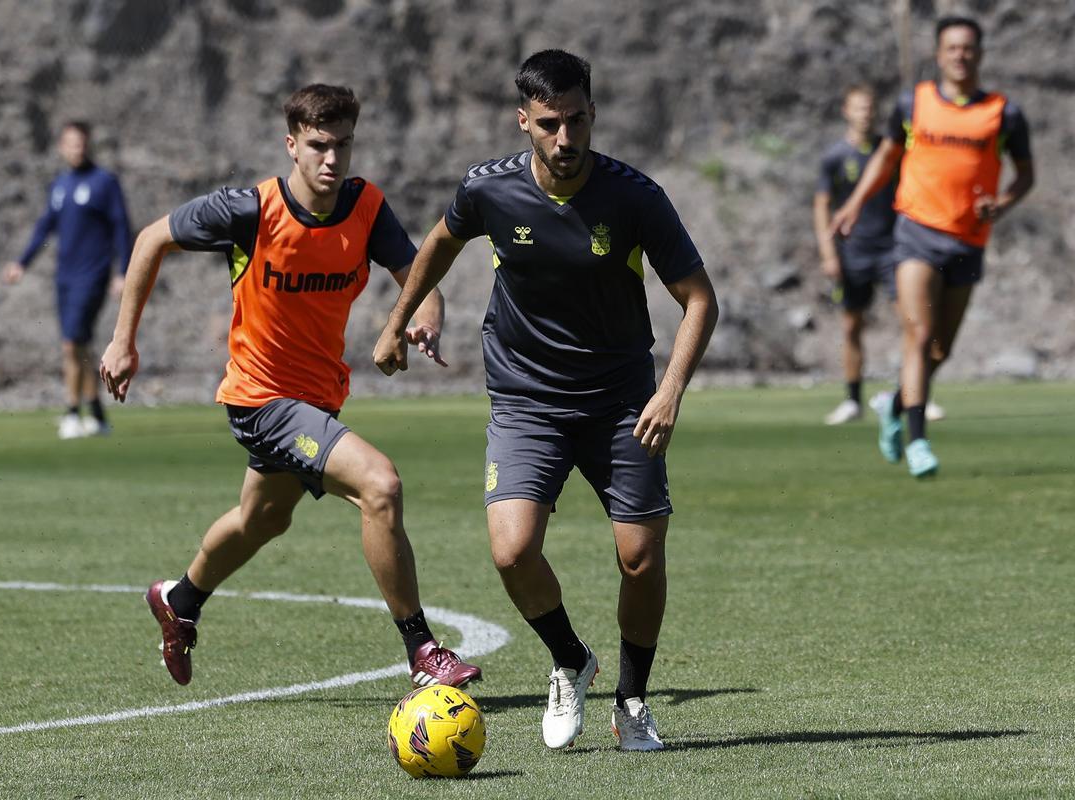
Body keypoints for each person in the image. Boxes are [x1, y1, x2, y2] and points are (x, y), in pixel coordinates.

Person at [374, 50, 718, 751]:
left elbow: (700, 300)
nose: (567, 139)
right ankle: (569, 659)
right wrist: (396, 320)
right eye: (552, 124)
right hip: (527, 398)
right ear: (524, 121)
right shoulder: (489, 189)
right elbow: (440, 243)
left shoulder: (634, 197)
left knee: (640, 557)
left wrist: (671, 391)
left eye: (580, 120)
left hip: (622, 400)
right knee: (512, 552)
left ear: (594, 115)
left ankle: (632, 700)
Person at [98, 85, 481, 690]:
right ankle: (424, 651)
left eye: (344, 146)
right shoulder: (249, 210)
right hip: (261, 399)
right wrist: (123, 341)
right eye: (319, 146)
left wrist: (424, 318)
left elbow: (422, 280)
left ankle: (180, 598)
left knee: (263, 519)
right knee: (380, 485)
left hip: (317, 399)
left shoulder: (366, 208)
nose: (332, 160)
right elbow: (151, 239)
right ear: (292, 146)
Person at [832, 16, 1033, 477]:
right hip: (915, 234)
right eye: (952, 48)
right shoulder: (914, 103)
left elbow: (1026, 174)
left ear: (979, 54)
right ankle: (919, 440)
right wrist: (855, 204)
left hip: (968, 241)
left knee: (940, 350)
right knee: (918, 336)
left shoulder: (1004, 113)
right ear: (939, 54)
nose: (960, 56)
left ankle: (895, 404)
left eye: (968, 49)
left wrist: (1001, 204)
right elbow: (886, 157)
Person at [5, 121, 132, 439]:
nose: (78, 148)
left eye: (82, 143)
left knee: (71, 343)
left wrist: (122, 272)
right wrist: (22, 263)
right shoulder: (60, 184)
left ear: (89, 145)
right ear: (62, 147)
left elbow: (121, 227)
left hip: (93, 274)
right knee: (79, 345)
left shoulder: (104, 182)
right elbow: (45, 225)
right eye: (71, 143)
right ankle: (98, 415)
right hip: (64, 277)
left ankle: (73, 412)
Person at [813, 84, 900, 425]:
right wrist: (827, 251)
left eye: (870, 107)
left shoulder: (891, 151)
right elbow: (821, 205)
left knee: (911, 322)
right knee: (852, 326)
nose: (866, 113)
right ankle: (853, 401)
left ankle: (916, 395)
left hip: (894, 249)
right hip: (853, 252)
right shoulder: (834, 157)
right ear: (846, 112)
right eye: (859, 107)